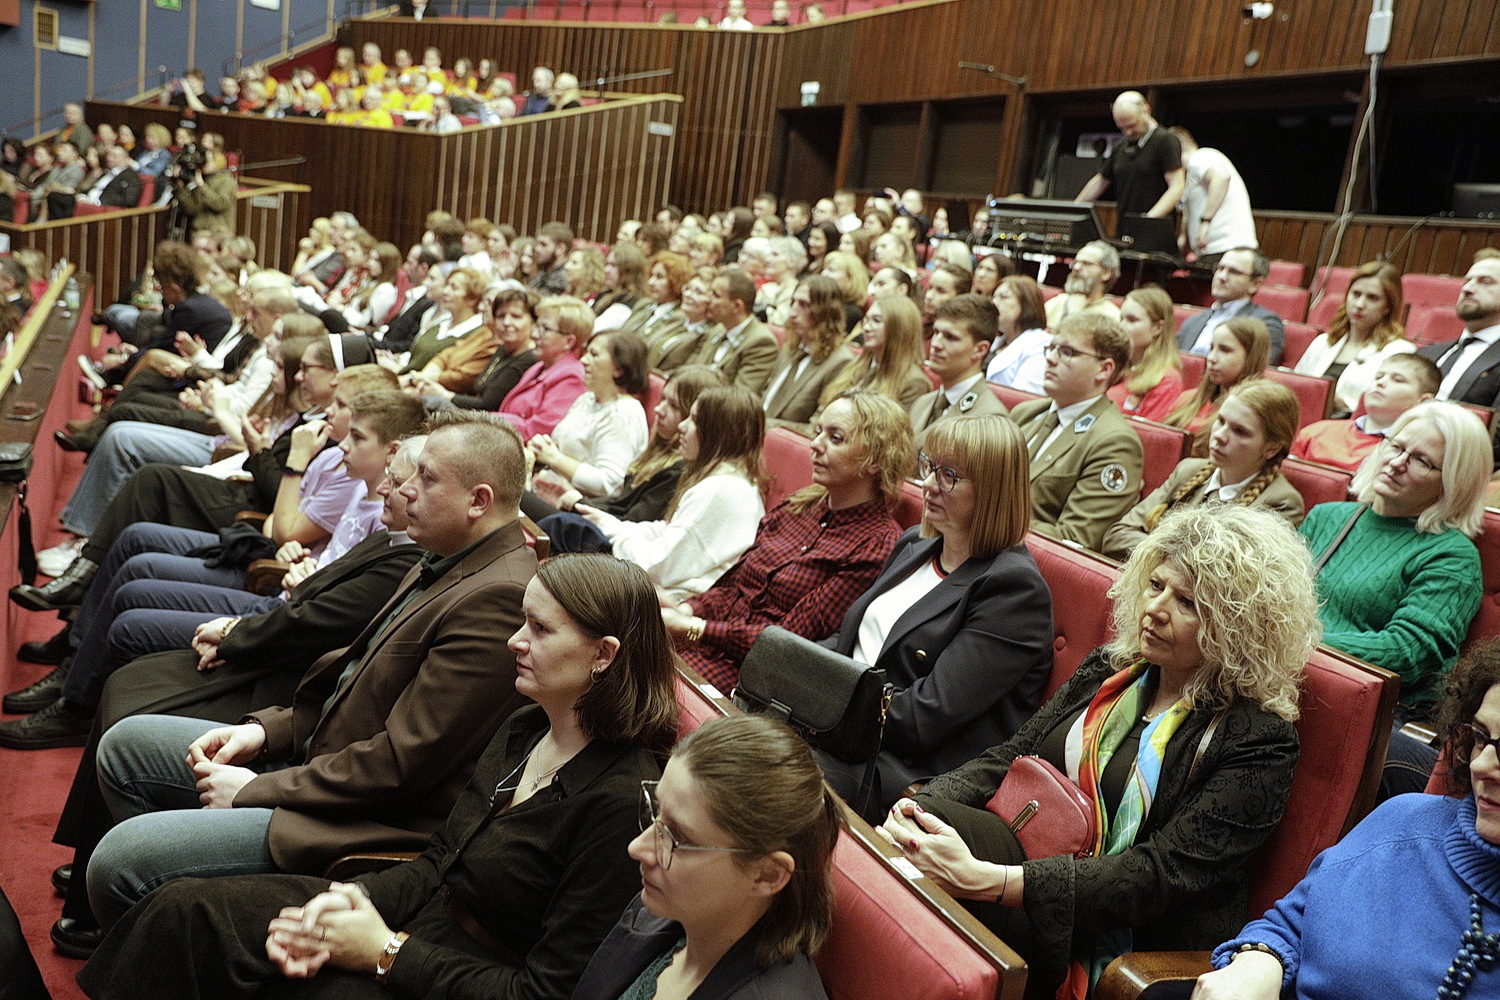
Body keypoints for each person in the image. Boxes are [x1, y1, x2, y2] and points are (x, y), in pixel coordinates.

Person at [75, 553, 677, 1000]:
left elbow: (543, 993)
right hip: (409, 922)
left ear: (603, 655)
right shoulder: (525, 727)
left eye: (541, 631)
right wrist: (344, 904)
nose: (515, 643)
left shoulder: (620, 800)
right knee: (184, 912)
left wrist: (385, 952)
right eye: (522, 622)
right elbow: (437, 864)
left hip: (457, 975)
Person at [79, 412, 539, 929]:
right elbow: (353, 683)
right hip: (320, 762)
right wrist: (266, 732)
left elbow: (398, 767)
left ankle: (169, 922)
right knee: (125, 745)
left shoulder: (498, 596)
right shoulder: (444, 553)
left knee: (120, 860)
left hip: (357, 818)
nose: (404, 489)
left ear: (479, 501)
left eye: (426, 478)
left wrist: (253, 791)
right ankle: (170, 922)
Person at [883, 504, 1319, 997]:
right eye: (1156, 586)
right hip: (1024, 863)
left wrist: (991, 880)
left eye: (1188, 602)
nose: (1155, 609)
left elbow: (1157, 875)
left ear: (1237, 625)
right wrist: (915, 806)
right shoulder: (1110, 670)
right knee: (916, 831)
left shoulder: (1258, 741)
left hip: (1121, 936)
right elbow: (1010, 755)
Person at [1194, 641, 1500, 1000]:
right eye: (1481, 738)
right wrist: (1260, 961)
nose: (1480, 765)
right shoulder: (1402, 821)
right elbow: (1288, 924)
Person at [819, 414, 1053, 816]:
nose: (927, 484)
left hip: (898, 770)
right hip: (842, 729)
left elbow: (922, 719)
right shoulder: (915, 545)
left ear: (993, 490)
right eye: (929, 466)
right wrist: (791, 669)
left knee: (759, 769)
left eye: (949, 474)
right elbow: (848, 643)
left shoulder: (1014, 590)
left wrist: (818, 695)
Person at [573, 713, 839, 1000]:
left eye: (679, 837)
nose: (638, 848)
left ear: (767, 875)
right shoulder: (662, 912)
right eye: (655, 813)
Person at [668, 390, 911, 695]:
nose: (815, 444)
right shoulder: (799, 506)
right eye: (818, 431)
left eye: (835, 438)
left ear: (875, 460)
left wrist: (692, 628)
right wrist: (688, 609)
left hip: (752, 675)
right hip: (706, 641)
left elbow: (786, 640)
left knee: (634, 682)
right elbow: (732, 587)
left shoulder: (877, 545)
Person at [1302, 400, 1490, 724]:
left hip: (1367, 712)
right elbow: (1269, 598)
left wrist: (1289, 642)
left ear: (1453, 483)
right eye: (1397, 446)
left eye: (1422, 461)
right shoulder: (1327, 517)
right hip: (1288, 679)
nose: (1397, 462)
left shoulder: (1453, 557)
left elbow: (1407, 651)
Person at [575, 385, 765, 601]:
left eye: (694, 420)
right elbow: (666, 530)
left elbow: (653, 567)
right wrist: (612, 525)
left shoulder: (721, 490)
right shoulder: (725, 480)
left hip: (671, 603)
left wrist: (615, 532)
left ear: (717, 433)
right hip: (661, 590)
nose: (682, 426)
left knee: (568, 534)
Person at [1102, 378, 1305, 560]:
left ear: (1271, 448)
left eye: (1240, 431)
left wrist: (1156, 550)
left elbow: (1225, 575)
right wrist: (1176, 557)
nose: (1219, 436)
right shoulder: (1188, 471)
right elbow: (1117, 536)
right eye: (1221, 421)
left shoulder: (1281, 501)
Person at [530, 366, 722, 540]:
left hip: (609, 542)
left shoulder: (679, 470)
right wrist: (573, 498)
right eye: (663, 399)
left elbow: (631, 521)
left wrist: (579, 503)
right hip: (599, 525)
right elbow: (620, 503)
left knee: (518, 501)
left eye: (674, 406)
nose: (658, 409)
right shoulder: (659, 453)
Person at [1010, 313, 1144, 551]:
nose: (1051, 358)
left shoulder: (1115, 442)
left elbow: (1074, 538)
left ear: (1104, 369)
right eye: (1051, 348)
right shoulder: (1025, 413)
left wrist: (989, 517)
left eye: (1067, 352)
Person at [527, 330, 650, 502]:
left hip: (581, 509)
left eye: (594, 354)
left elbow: (610, 484)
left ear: (619, 369)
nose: (583, 361)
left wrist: (554, 458)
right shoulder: (587, 399)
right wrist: (544, 447)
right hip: (549, 490)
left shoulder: (624, 412)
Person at [1294, 261, 1413, 417]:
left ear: (1388, 307)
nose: (1359, 304)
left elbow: (1390, 410)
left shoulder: (1397, 351)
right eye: (1356, 294)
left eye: (1372, 298)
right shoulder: (1323, 342)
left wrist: (1340, 404)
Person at [1291, 352, 1439, 472]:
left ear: (1424, 401)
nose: (1380, 383)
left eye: (1398, 380)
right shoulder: (1319, 430)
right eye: (1378, 377)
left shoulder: (1407, 458)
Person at [1074, 91, 1185, 248]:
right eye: (1122, 128)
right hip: (1125, 231)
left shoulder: (1165, 140)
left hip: (1154, 235)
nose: (1128, 132)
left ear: (1146, 110)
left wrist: (1146, 220)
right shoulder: (1120, 146)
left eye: (1132, 125)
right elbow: (1100, 180)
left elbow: (1177, 187)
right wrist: (1074, 209)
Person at [1419, 256, 1500, 464]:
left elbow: (1495, 442)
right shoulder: (1427, 354)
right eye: (1467, 280)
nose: (1468, 288)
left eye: (1485, 281)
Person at [1163, 315, 1271, 455]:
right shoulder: (1187, 399)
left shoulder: (1252, 415)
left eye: (1225, 350)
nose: (1212, 358)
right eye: (1211, 348)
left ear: (1251, 357)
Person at [910, 294, 1009, 442]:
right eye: (936, 332)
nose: (936, 344)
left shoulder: (990, 419)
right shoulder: (922, 403)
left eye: (950, 337)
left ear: (980, 350)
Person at [423, 286, 540, 411]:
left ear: (533, 322)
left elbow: (487, 405)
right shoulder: (503, 349)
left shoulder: (529, 358)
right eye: (501, 316)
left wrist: (444, 395)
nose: (506, 322)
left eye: (516, 317)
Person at [763, 275, 854, 433]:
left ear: (825, 312)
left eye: (804, 304)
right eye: (793, 302)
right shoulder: (790, 348)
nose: (792, 313)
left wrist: (762, 425)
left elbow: (817, 429)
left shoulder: (840, 362)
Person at [498, 294, 590, 439]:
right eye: (537, 327)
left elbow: (539, 431)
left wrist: (487, 420)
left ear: (569, 341)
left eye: (545, 329)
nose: (534, 335)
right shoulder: (538, 367)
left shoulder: (571, 377)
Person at [1176, 247, 1287, 365]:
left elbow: (1259, 369)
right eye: (1220, 268)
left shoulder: (1264, 323)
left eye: (1234, 272)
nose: (1222, 277)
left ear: (1255, 284)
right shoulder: (1192, 322)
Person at [820, 295, 930, 412]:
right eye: (866, 320)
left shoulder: (914, 382)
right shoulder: (856, 364)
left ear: (898, 329)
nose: (866, 328)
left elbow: (895, 429)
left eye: (876, 320)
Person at [687, 267, 780, 395]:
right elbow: (689, 370)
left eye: (715, 295)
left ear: (737, 306)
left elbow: (738, 398)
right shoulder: (718, 329)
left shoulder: (761, 342)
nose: (708, 300)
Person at [1171, 126, 1255, 267]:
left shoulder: (1201, 157)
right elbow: (1187, 223)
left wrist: (1206, 222)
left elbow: (1221, 177)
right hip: (1214, 251)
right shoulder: (1190, 175)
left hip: (1228, 250)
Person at [1106, 285, 1185, 422]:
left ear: (1157, 328)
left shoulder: (1167, 380)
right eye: (1121, 319)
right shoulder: (1112, 365)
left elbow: (1147, 436)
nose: (1121, 327)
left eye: (1132, 320)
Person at [620, 251, 695, 370]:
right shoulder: (644, 305)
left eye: (659, 277)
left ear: (676, 281)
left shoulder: (680, 316)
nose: (651, 283)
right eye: (651, 276)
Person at [984, 274, 1051, 395]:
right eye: (993, 297)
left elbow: (1024, 398)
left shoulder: (1041, 344)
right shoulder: (996, 341)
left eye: (1003, 297)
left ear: (1027, 303)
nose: (994, 303)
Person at [1044, 240, 1122, 328]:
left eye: (1087, 263)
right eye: (1075, 262)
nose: (1076, 268)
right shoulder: (1057, 302)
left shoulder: (1112, 317)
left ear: (1106, 273)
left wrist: (1073, 314)